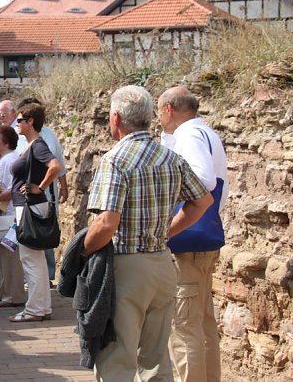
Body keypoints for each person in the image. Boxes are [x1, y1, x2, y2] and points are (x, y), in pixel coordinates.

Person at [82, 85, 212, 382]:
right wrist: (166, 232)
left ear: (116, 118)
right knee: (155, 358)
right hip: (162, 263)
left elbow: (106, 223)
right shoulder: (170, 157)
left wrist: (83, 251)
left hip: (126, 265)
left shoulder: (115, 159)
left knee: (117, 357)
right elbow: (202, 201)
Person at [158, 87, 229, 382]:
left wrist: (172, 219)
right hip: (203, 237)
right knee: (203, 323)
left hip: (186, 240)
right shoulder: (206, 133)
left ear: (169, 109)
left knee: (183, 327)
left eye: (159, 112)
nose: (158, 119)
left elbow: (203, 179)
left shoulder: (189, 135)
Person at [8, 103, 62, 323]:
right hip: (30, 205)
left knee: (30, 259)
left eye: (20, 120)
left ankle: (35, 309)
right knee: (35, 260)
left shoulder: (37, 145)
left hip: (30, 206)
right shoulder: (32, 145)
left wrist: (40, 187)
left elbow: (55, 166)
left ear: (30, 122)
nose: (17, 124)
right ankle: (42, 307)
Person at [0, 125, 24, 308]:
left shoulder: (9, 161)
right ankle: (4, 290)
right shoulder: (5, 160)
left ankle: (14, 294)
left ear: (7, 143)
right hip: (3, 214)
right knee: (2, 253)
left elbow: (12, 188)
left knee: (10, 254)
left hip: (10, 213)